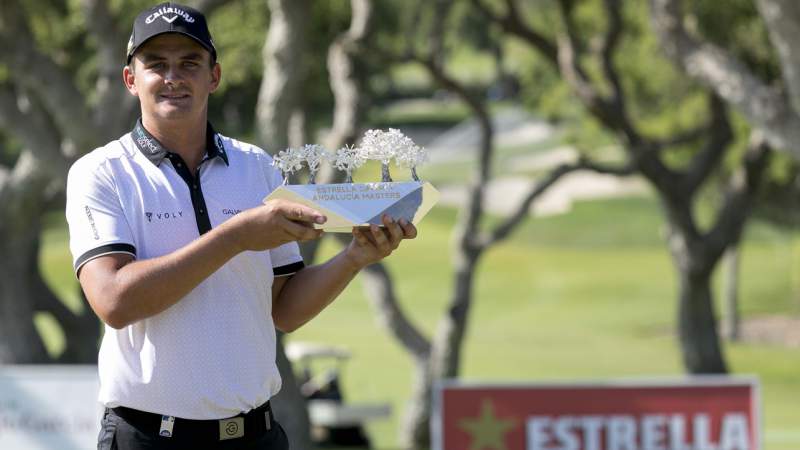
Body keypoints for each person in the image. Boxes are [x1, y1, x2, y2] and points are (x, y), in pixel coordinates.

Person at [65, 3, 416, 449]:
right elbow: (114, 301)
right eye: (157, 64)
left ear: (213, 76)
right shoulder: (101, 172)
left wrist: (355, 257)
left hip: (255, 435)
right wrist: (237, 236)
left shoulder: (255, 167)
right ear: (131, 80)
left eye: (190, 63)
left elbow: (283, 310)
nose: (173, 76)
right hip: (150, 436)